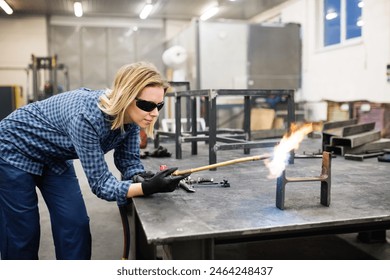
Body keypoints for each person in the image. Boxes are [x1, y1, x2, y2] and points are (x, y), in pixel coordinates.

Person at [0, 61, 189, 260]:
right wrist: (148, 188)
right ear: (126, 97)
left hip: (54, 156)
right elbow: (101, 184)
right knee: (22, 232)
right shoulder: (86, 117)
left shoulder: (133, 119)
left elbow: (128, 161)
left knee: (75, 223)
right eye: (147, 105)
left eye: (159, 105)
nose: (154, 113)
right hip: (15, 147)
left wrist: (143, 177)